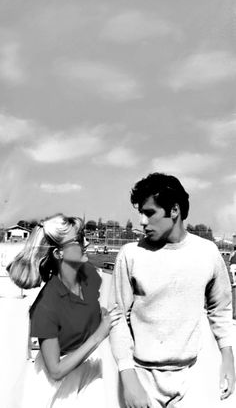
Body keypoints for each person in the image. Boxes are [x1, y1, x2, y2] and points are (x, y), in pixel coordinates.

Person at [109, 172, 235, 408]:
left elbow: (220, 309)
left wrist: (228, 358)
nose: (142, 222)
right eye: (140, 214)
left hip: (193, 375)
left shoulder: (207, 253)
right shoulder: (130, 255)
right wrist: (128, 377)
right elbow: (117, 319)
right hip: (142, 377)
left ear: (174, 210)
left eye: (149, 213)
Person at [7, 213, 122, 408]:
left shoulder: (89, 274)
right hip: (56, 384)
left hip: (89, 368)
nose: (85, 242)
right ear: (59, 253)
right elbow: (56, 370)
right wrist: (99, 334)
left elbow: (94, 308)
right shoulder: (45, 306)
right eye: (77, 240)